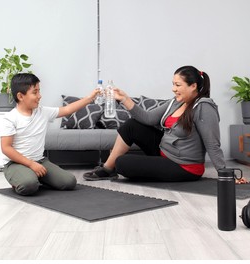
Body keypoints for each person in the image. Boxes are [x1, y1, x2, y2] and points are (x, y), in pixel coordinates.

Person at [83, 65, 226, 182]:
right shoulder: (176, 102)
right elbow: (148, 118)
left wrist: (225, 173)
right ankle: (108, 169)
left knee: (121, 163)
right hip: (163, 151)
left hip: (184, 166)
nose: (173, 89)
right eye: (173, 84)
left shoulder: (204, 108)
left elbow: (212, 144)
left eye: (178, 85)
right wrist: (124, 98)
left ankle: (117, 166)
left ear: (193, 86)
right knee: (131, 126)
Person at [0, 73, 99, 195]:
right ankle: (24, 178)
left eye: (39, 91)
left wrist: (90, 98)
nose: (39, 96)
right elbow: (6, 148)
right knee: (28, 185)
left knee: (69, 182)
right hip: (16, 163)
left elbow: (67, 110)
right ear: (20, 96)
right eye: (35, 92)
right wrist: (31, 164)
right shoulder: (10, 118)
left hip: (39, 161)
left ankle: (37, 176)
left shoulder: (43, 112)